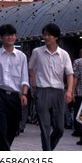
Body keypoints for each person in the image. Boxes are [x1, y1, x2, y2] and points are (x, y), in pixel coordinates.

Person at [29, 23, 74, 151]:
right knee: (45, 126)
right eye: (45, 34)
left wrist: (69, 91)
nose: (46, 37)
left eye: (49, 35)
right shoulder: (37, 52)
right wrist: (34, 81)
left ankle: (48, 149)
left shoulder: (64, 54)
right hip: (42, 90)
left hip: (58, 91)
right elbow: (30, 67)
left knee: (59, 129)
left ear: (56, 37)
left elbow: (70, 73)